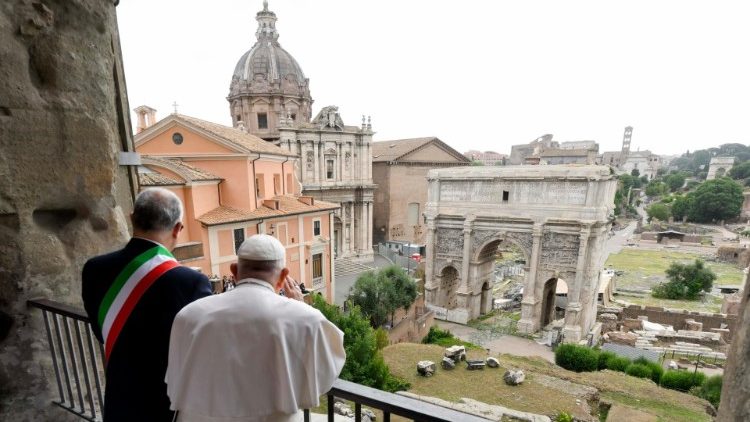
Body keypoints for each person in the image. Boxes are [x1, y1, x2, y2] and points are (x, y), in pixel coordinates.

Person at [166, 234, 345, 422]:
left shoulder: (188, 316)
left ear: (234, 271)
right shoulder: (308, 319)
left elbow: (176, 379)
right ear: (283, 276)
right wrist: (302, 308)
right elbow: (324, 376)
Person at [82, 188, 213, 422]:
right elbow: (203, 348)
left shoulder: (94, 268)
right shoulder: (191, 282)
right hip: (167, 404)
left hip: (119, 397)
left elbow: (102, 332)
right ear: (178, 229)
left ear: (132, 218)